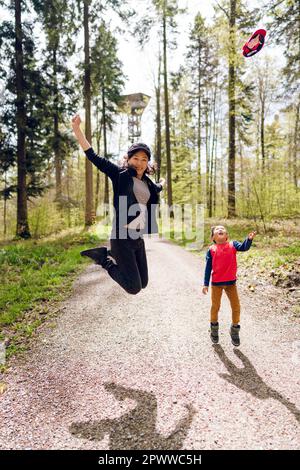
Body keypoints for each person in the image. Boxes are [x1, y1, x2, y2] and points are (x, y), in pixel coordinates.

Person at [71, 114, 166, 295]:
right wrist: (77, 130)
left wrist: (163, 182)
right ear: (129, 159)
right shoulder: (120, 175)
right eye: (136, 158)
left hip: (137, 238)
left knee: (144, 283)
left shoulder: (147, 183)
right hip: (122, 237)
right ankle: (104, 259)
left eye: (144, 159)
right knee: (134, 287)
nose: (139, 163)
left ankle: (113, 255)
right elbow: (94, 157)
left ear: (148, 163)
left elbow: (157, 188)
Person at [202, 225, 257, 346]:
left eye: (222, 229)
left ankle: (235, 329)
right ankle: (214, 329)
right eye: (217, 229)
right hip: (216, 284)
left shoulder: (233, 245)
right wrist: (205, 284)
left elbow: (244, 247)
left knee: (236, 306)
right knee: (215, 306)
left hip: (231, 283)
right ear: (213, 237)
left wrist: (249, 239)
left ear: (227, 235)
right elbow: (207, 268)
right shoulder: (212, 249)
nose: (220, 229)